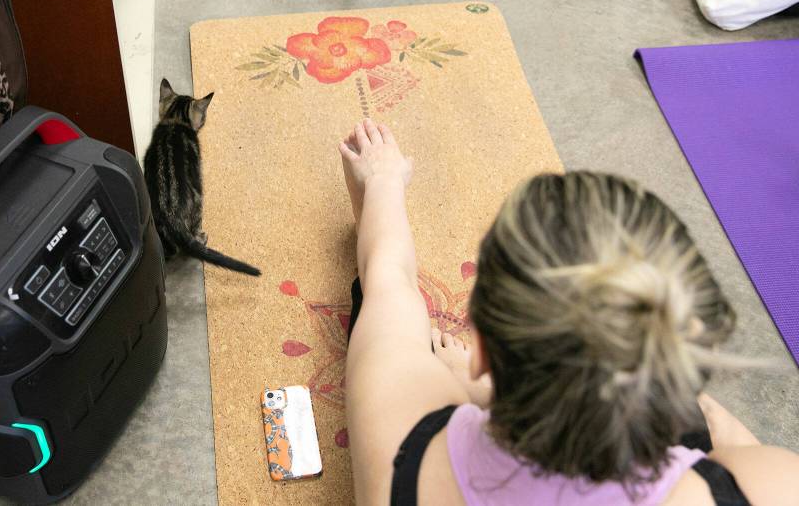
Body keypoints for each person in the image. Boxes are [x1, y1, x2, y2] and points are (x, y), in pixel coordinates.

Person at [338, 118, 799, 505]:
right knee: (713, 423)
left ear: (481, 352)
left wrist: (381, 180)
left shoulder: (397, 431)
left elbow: (387, 276)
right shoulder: (771, 484)